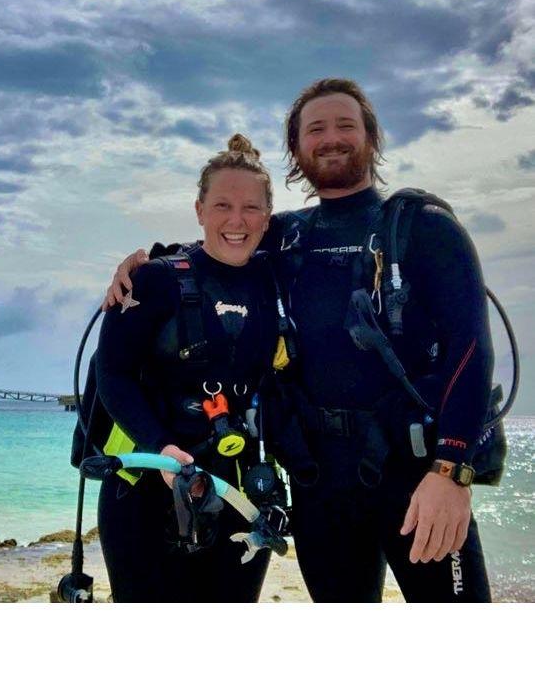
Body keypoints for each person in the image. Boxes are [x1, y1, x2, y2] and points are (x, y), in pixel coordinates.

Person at [104, 78, 493, 602]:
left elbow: (471, 350)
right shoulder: (285, 235)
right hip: (320, 486)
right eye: (316, 128)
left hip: (418, 477)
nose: (331, 138)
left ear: (371, 138)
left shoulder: (423, 228)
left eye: (345, 125)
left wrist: (453, 471)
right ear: (296, 148)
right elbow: (216, 253)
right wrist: (143, 261)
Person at [94, 134, 281, 602]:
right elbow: (111, 374)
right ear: (199, 210)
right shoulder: (153, 279)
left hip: (239, 489)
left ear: (268, 217)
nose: (236, 221)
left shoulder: (278, 280)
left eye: (251, 208)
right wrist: (160, 446)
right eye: (222, 205)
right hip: (145, 480)